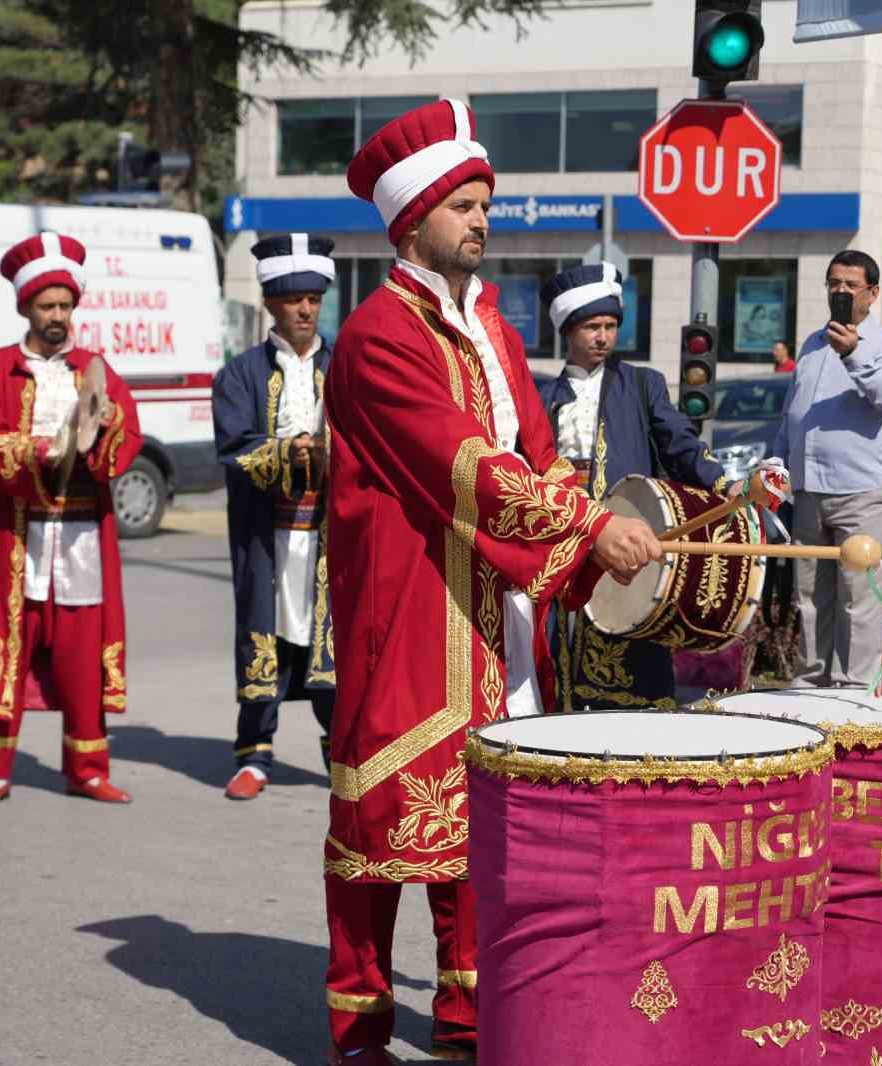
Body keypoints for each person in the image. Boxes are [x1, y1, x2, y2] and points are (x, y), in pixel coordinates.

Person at [323, 99, 662, 1065]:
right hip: (413, 605)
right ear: (413, 218)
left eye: (485, 204)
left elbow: (540, 457)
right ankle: (359, 1025)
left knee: (489, 814)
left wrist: (594, 522)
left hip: (499, 607)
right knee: (384, 817)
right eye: (464, 204)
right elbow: (462, 464)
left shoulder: (500, 334)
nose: (481, 219)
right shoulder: (379, 336)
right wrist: (591, 527)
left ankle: (470, 1018)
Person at [0, 233, 142, 810]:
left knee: (82, 659)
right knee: (6, 654)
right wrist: (42, 449)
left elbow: (127, 441)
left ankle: (87, 770)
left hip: (82, 537)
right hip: (17, 538)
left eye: (65, 306)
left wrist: (105, 424)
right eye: (46, 307)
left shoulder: (96, 370)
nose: (58, 316)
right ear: (25, 308)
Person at [537, 262, 739, 710]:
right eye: (592, 326)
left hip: (623, 534)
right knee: (557, 645)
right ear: (568, 331)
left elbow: (680, 442)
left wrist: (724, 483)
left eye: (610, 326)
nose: (603, 337)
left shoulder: (642, 384)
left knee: (629, 657)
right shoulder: (541, 399)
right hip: (562, 537)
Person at [213, 233, 338, 800]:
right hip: (268, 535)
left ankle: (343, 753)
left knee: (336, 646)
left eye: (314, 297)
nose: (306, 309)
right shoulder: (239, 375)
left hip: (332, 539)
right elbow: (235, 450)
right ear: (270, 304)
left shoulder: (348, 367)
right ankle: (254, 753)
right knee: (263, 637)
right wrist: (291, 452)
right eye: (293, 299)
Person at [771, 250, 882, 688]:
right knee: (812, 596)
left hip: (862, 494)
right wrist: (777, 463)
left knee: (860, 598)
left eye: (852, 285)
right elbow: (793, 414)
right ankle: (812, 681)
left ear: (872, 293)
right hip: (810, 492)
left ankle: (855, 689)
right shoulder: (813, 344)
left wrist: (853, 354)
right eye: (834, 282)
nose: (841, 291)